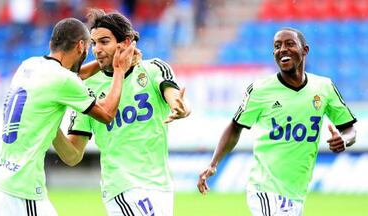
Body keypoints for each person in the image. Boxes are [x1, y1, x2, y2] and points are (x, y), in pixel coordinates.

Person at [197, 27, 357, 216]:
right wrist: (214, 163)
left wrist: (344, 139)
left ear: (305, 50)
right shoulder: (260, 90)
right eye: (277, 46)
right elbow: (235, 126)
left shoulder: (324, 88)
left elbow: (349, 129)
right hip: (265, 188)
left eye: (289, 44)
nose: (282, 49)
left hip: (296, 193)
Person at [0, 17, 136, 216]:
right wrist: (118, 69)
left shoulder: (29, 65)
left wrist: (104, 63)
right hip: (22, 189)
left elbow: (70, 78)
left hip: (0, 181)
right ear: (81, 45)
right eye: (90, 46)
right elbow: (107, 114)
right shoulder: (63, 79)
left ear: (52, 43)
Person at [52, 8, 191, 216]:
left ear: (125, 43)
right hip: (121, 187)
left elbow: (175, 98)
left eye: (104, 42)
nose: (97, 49)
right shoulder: (86, 87)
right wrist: (51, 127)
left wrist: (182, 108)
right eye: (94, 43)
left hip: (160, 186)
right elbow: (73, 156)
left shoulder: (153, 69)